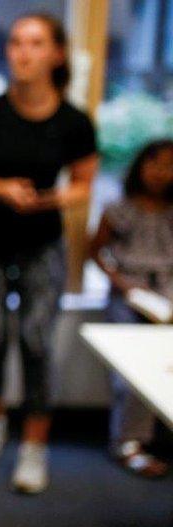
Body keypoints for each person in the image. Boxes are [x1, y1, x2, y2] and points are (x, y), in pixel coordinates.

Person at [0, 13, 98, 494]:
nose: (22, 52)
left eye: (35, 43)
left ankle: (35, 448)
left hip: (42, 243)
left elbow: (82, 184)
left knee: (37, 341)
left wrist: (52, 198)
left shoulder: (75, 123)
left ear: (56, 54)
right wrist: (0, 189)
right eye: (16, 42)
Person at [88, 140, 173, 478]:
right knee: (133, 374)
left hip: (166, 292)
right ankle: (128, 443)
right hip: (129, 293)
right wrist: (122, 282)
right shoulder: (118, 209)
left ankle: (157, 438)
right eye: (155, 163)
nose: (160, 173)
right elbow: (96, 252)